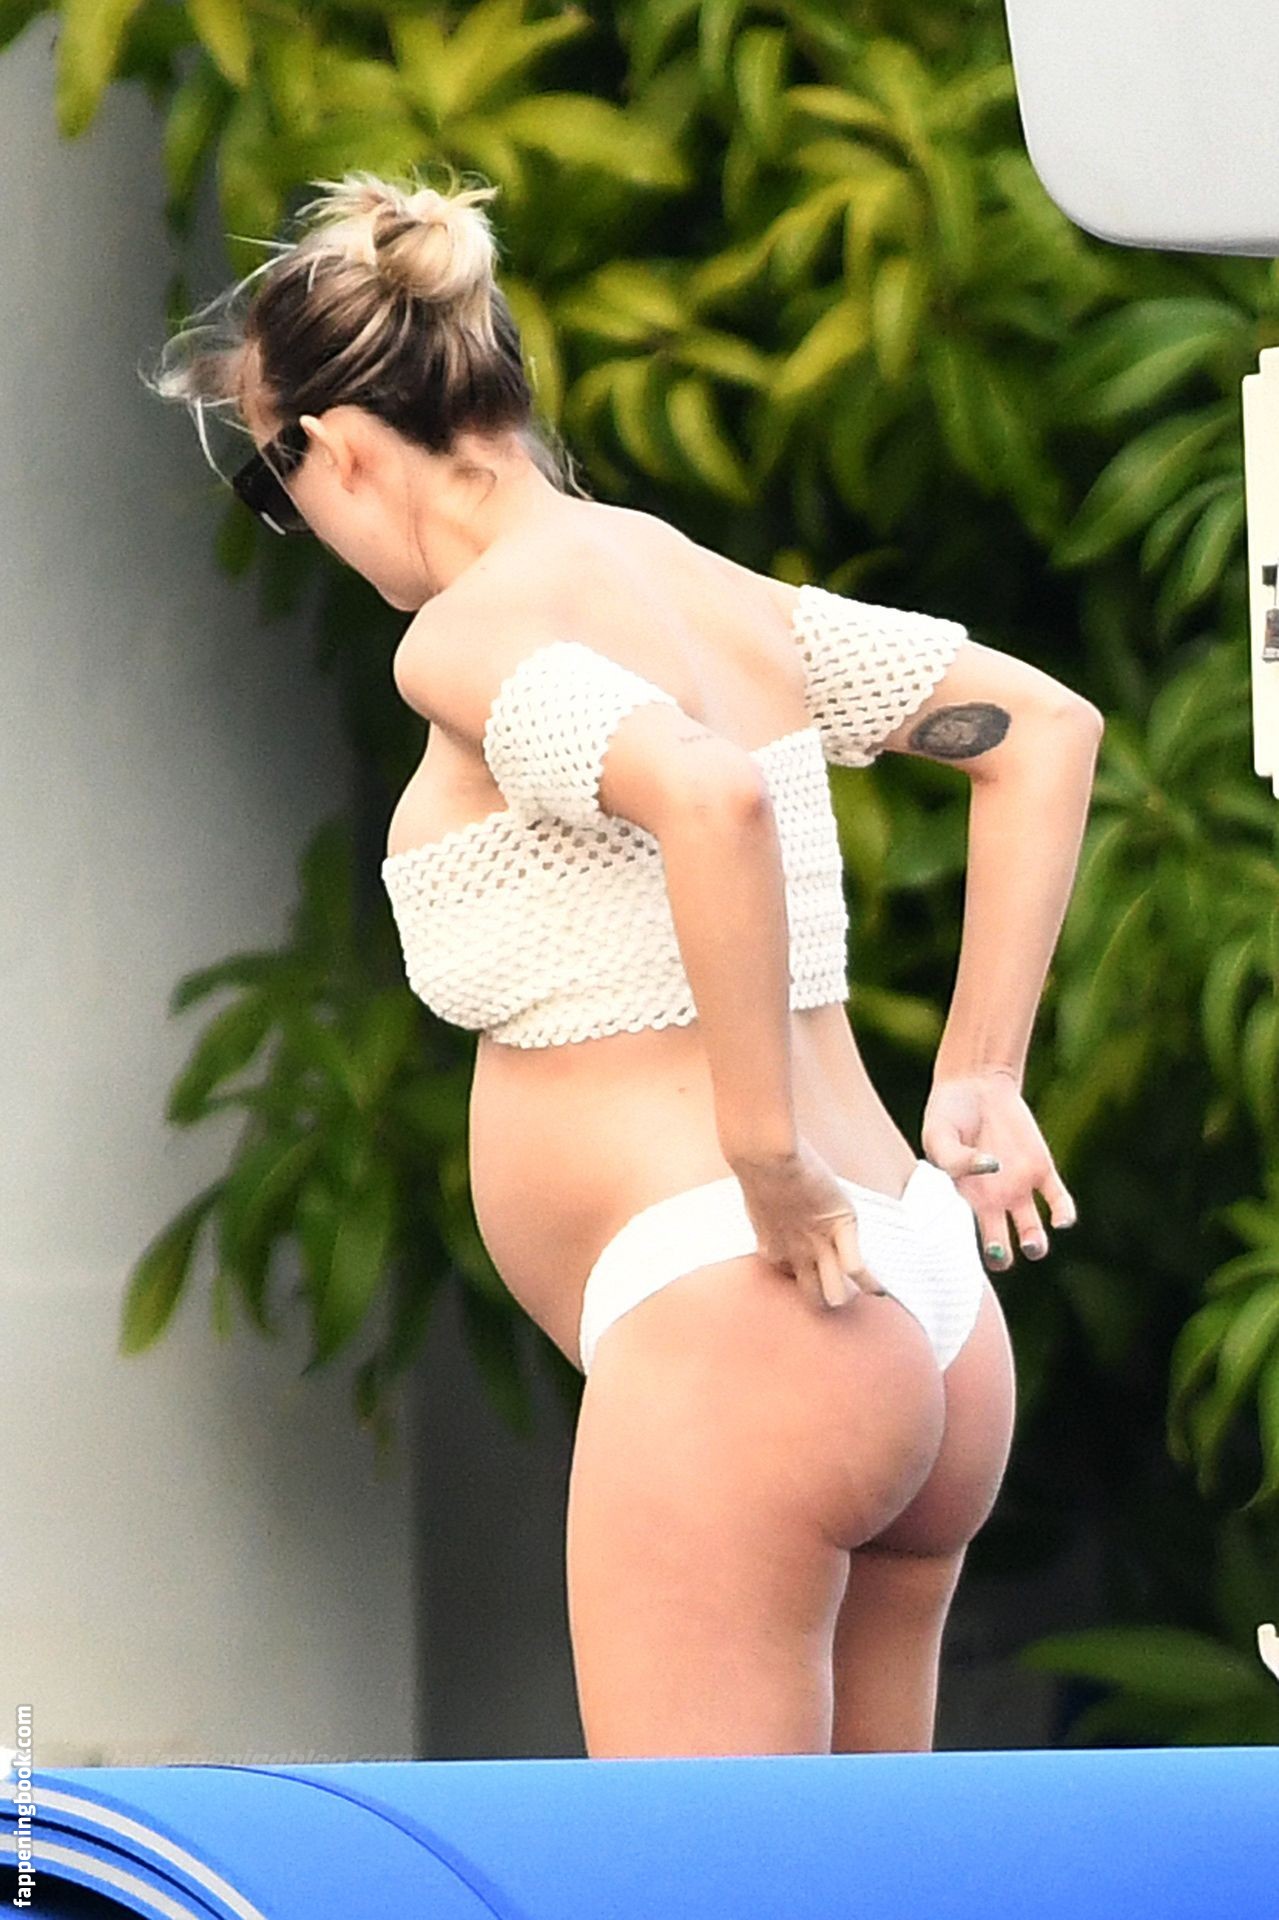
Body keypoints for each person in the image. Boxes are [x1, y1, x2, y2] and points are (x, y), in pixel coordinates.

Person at [142, 165, 1103, 1760]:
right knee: (867, 1880)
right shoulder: (701, 585)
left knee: (701, 1874)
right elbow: (1041, 731)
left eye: (272, 482)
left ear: (344, 446)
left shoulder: (470, 634)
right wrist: (982, 1076)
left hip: (752, 1303)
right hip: (916, 1295)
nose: (295, 522)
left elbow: (709, 799)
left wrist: (764, 1161)